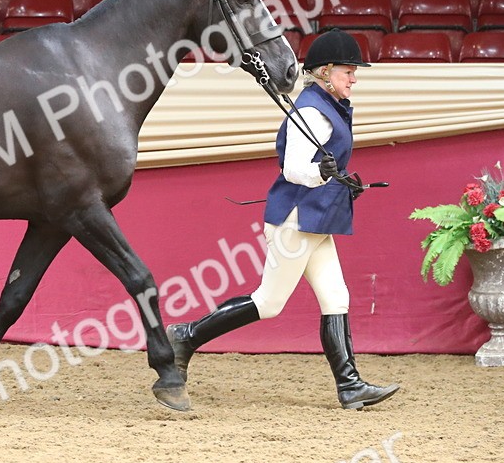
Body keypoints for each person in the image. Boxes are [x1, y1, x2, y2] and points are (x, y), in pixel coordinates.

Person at [168, 28, 400, 410]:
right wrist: (323, 173)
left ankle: (350, 386)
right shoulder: (311, 111)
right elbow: (295, 169)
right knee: (269, 301)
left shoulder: (328, 106)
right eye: (348, 71)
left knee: (336, 297)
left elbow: (321, 164)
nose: (354, 78)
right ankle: (186, 335)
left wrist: (339, 179)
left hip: (317, 221)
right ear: (325, 72)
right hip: (296, 220)